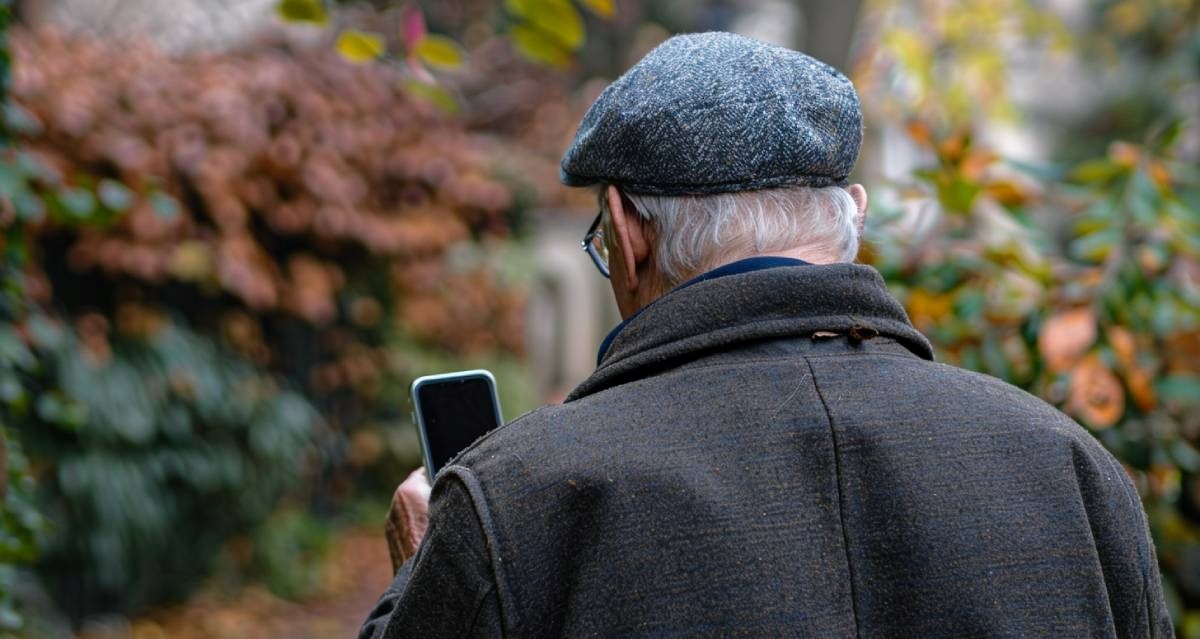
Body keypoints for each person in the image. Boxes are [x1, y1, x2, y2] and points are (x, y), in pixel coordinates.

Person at [360, 31, 1173, 638]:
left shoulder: (520, 500)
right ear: (853, 214)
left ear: (624, 231)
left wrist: (428, 576)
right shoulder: (1073, 473)